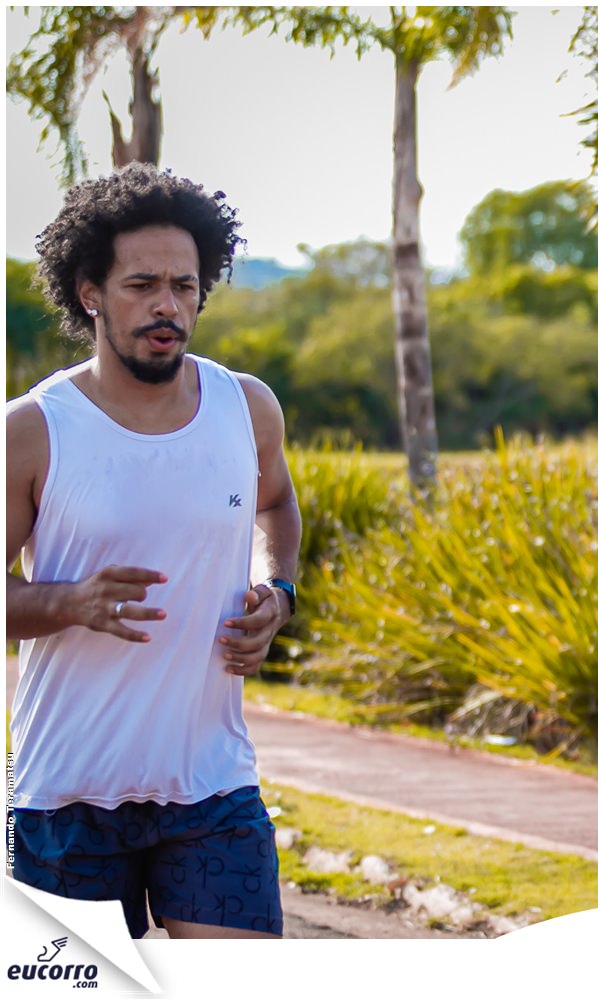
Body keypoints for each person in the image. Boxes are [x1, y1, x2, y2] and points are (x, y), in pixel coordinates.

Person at [6, 163, 301, 940]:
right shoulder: (33, 429)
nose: (167, 305)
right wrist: (69, 600)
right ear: (90, 293)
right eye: (141, 285)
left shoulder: (247, 408)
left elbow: (275, 503)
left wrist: (278, 592)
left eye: (184, 285)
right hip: (65, 798)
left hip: (213, 788)